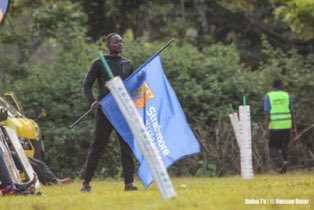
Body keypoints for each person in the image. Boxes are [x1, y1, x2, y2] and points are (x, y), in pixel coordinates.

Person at [81, 33, 137, 192]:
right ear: (108, 44)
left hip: (124, 112)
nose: (120, 44)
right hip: (105, 111)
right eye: (116, 42)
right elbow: (86, 86)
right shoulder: (99, 63)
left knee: (127, 147)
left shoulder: (128, 63)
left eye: (121, 42)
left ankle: (129, 184)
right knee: (97, 147)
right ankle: (85, 183)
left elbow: (133, 87)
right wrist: (92, 101)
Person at [264, 80, 297, 173]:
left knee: (272, 148)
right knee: (284, 147)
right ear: (281, 85)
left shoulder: (268, 96)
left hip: (275, 126)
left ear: (273, 86)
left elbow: (267, 113)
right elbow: (291, 112)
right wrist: (294, 128)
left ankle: (281, 163)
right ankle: (283, 170)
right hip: (286, 125)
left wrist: (266, 129)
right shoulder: (287, 96)